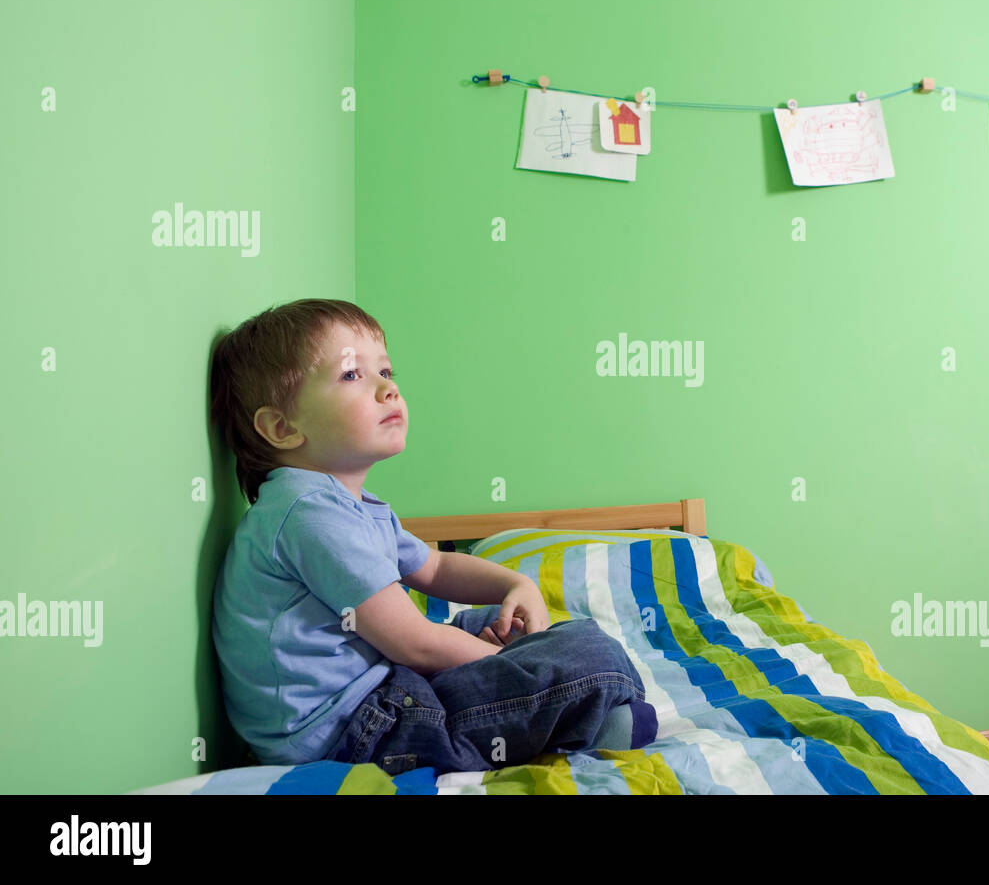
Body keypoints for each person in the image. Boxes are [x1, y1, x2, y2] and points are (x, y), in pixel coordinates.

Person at [209, 298, 656, 775]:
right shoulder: (307, 514)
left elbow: (436, 567)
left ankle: (578, 701)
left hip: (379, 683)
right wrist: (505, 662)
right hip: (351, 732)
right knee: (584, 655)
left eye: (385, 370)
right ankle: (594, 715)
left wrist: (515, 587)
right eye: (352, 375)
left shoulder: (346, 505)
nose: (388, 389)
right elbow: (416, 644)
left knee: (524, 626)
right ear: (282, 427)